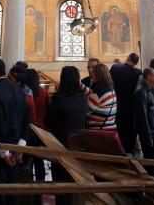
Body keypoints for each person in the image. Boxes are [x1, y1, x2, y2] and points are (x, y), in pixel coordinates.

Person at [0, 58, 31, 205]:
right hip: (15, 152)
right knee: (11, 193)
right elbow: (27, 121)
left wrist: (6, 154)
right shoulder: (19, 91)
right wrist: (19, 148)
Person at [45, 66, 88, 205]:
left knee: (61, 180)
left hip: (61, 143)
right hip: (79, 143)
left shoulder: (59, 97)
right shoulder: (83, 96)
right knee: (76, 178)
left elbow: (49, 120)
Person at [134, 68, 154, 177]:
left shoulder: (150, 90)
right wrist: (148, 137)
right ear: (148, 77)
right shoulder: (141, 91)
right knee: (152, 165)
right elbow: (142, 117)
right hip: (150, 134)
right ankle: (149, 189)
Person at [110, 52, 141, 153]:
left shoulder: (115, 68)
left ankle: (118, 152)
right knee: (129, 132)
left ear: (128, 58)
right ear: (136, 62)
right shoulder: (137, 72)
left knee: (118, 131)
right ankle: (129, 152)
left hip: (116, 105)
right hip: (131, 108)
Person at [27, 68, 49, 182]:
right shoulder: (43, 92)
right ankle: (40, 185)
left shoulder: (25, 93)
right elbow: (48, 110)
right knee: (39, 160)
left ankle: (28, 187)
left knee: (27, 160)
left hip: (29, 131)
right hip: (41, 130)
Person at [86, 63, 117, 131]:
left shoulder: (97, 93)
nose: (91, 74)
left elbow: (85, 111)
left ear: (98, 75)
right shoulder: (110, 89)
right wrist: (80, 85)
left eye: (93, 73)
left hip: (99, 130)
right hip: (111, 128)